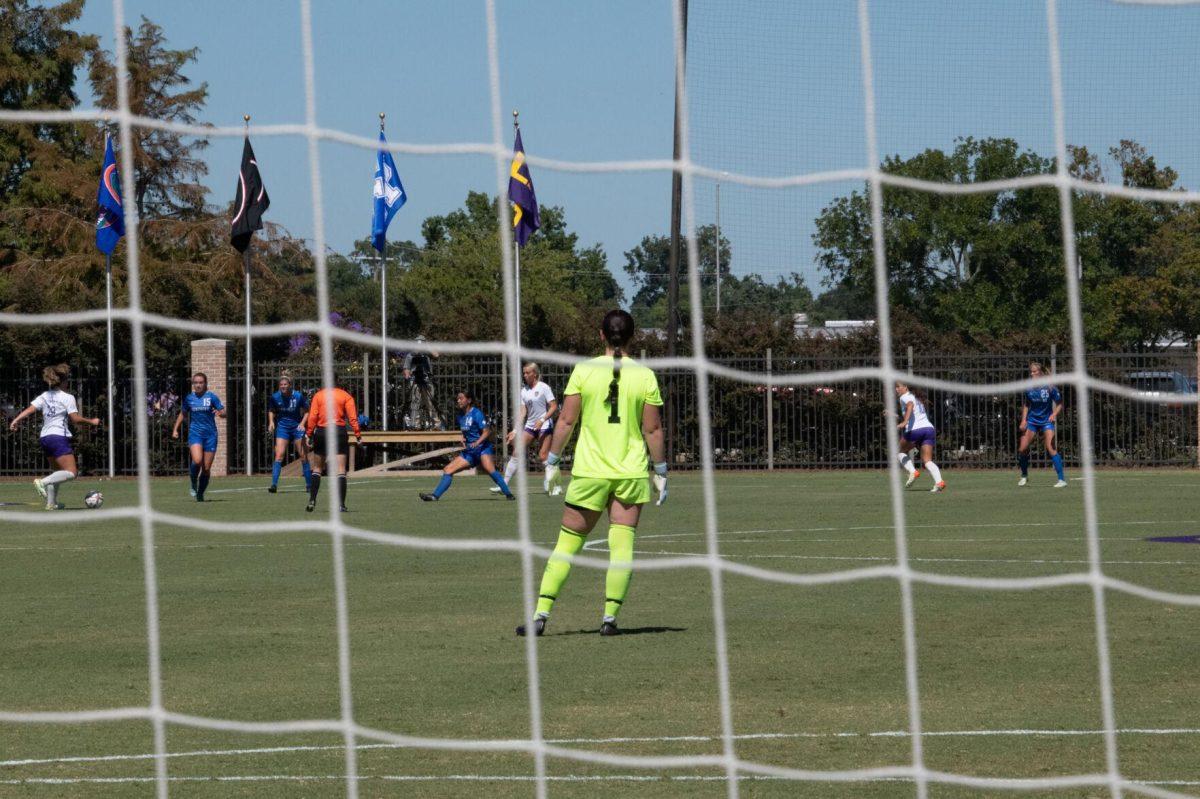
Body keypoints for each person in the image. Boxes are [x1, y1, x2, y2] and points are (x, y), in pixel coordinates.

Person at [519, 310, 666, 638]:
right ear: (632, 337)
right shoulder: (644, 375)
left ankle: (540, 616)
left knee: (567, 544)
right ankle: (609, 620)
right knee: (622, 544)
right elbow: (653, 429)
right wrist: (661, 470)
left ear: (601, 335)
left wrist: (553, 461)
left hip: (589, 472)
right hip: (629, 472)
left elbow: (567, 421)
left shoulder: (584, 371)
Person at [8, 364, 100, 510]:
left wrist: (16, 420)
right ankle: (42, 482)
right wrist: (92, 421)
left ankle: (51, 504)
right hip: (58, 437)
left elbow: (30, 409)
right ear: (63, 381)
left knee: (57, 473)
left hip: (45, 437)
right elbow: (75, 419)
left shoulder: (45, 395)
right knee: (71, 473)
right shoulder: (68, 397)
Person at [420, 390, 513, 501]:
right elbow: (466, 431)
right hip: (470, 452)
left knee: (490, 470)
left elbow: (487, 431)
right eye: (457, 398)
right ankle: (434, 496)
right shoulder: (460, 416)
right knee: (448, 469)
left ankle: (509, 495)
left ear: (469, 400)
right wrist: (463, 438)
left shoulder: (476, 413)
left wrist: (477, 442)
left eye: (461, 398)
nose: (458, 400)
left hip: (483, 449)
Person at [493, 362, 558, 494]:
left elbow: (554, 406)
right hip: (530, 425)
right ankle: (503, 485)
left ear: (535, 374)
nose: (525, 375)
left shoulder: (544, 387)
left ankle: (554, 484)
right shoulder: (524, 391)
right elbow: (523, 412)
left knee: (543, 455)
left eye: (527, 372)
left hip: (544, 424)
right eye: (524, 373)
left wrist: (542, 420)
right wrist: (515, 431)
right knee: (517, 452)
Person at [304, 380, 362, 513]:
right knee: (341, 469)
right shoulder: (345, 395)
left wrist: (309, 434)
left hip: (322, 431)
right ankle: (341, 505)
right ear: (339, 382)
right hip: (339, 431)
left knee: (317, 468)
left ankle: (312, 500)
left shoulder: (319, 395)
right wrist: (358, 435)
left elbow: (313, 417)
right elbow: (353, 418)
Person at [172, 372, 226, 502]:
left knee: (206, 468)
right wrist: (175, 429)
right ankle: (193, 482)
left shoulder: (212, 397)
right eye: (195, 383)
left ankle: (200, 493)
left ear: (205, 384)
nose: (198, 385)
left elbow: (224, 412)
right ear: (193, 384)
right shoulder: (189, 398)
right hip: (195, 433)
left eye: (201, 382)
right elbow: (183, 414)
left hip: (211, 435)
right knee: (197, 460)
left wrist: (220, 413)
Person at [1019, 361, 1067, 488]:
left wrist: (1054, 414)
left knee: (1050, 447)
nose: (1032, 374)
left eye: (1034, 372)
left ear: (1040, 373)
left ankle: (1062, 480)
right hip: (1032, 422)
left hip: (1046, 421)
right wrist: (1024, 420)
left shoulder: (1050, 387)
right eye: (1031, 372)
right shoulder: (1028, 387)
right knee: (1022, 448)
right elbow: (1026, 405)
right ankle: (1024, 476)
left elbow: (1060, 403)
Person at [895, 381, 945, 493]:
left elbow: (910, 406)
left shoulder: (904, 397)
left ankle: (913, 472)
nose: (896, 389)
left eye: (898, 387)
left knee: (899, 452)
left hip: (916, 430)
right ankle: (939, 482)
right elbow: (913, 414)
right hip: (929, 429)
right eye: (895, 387)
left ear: (905, 387)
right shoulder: (916, 397)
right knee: (927, 460)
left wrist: (904, 422)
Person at [267, 374, 312, 494]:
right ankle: (274, 485)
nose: (283, 386)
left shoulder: (298, 396)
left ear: (290, 385)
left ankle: (309, 485)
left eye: (285, 384)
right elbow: (271, 411)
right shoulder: (275, 397)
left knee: (303, 455)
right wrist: (271, 422)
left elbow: (307, 411)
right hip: (283, 428)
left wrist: (302, 424)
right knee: (279, 455)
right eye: (281, 385)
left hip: (297, 427)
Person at [403, 335, 440, 430]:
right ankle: (416, 424)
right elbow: (406, 369)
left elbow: (436, 355)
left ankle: (436, 424)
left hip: (426, 381)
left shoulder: (426, 355)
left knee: (430, 402)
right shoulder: (410, 355)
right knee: (415, 402)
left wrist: (427, 346)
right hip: (415, 381)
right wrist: (408, 374)